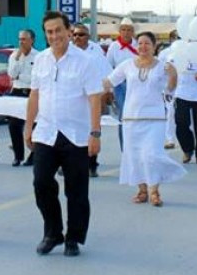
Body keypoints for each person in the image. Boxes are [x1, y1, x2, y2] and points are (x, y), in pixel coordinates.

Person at [26, 11, 104, 257]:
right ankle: (53, 233)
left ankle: (73, 238)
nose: (54, 36)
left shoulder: (84, 61)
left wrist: (95, 133)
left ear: (68, 30)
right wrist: (29, 126)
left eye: (58, 30)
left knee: (77, 190)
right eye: (49, 32)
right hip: (47, 132)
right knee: (41, 182)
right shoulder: (41, 60)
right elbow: (35, 94)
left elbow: (94, 99)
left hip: (76, 134)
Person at [106, 31, 185, 207]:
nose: (143, 47)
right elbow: (109, 81)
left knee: (151, 155)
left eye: (147, 43)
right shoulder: (127, 65)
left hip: (154, 118)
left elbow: (170, 90)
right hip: (131, 118)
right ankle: (142, 190)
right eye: (140, 43)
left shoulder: (163, 66)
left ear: (154, 45)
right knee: (134, 156)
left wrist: (173, 75)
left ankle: (154, 191)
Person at [71, 23, 111, 177]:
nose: (77, 38)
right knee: (73, 131)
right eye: (74, 35)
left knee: (92, 130)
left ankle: (92, 164)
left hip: (93, 98)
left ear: (88, 36)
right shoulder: (68, 51)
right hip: (73, 99)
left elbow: (106, 74)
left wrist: (106, 95)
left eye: (81, 35)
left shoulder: (95, 53)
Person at [6, 29, 38, 167]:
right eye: (20, 39)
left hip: (32, 92)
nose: (21, 42)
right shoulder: (14, 56)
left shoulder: (38, 56)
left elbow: (35, 79)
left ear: (32, 40)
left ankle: (34, 155)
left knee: (35, 125)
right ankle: (18, 155)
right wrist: (18, 58)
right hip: (17, 91)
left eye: (24, 39)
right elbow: (12, 74)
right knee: (14, 125)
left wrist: (21, 77)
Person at [105, 17, 138, 149]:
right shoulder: (114, 47)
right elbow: (108, 66)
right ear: (120, 31)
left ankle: (135, 146)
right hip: (120, 84)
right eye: (123, 29)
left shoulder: (137, 45)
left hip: (135, 84)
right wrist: (109, 89)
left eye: (129, 30)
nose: (126, 32)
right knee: (123, 116)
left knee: (136, 115)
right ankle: (125, 147)